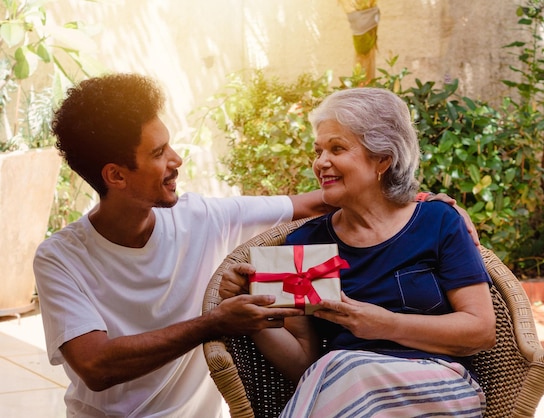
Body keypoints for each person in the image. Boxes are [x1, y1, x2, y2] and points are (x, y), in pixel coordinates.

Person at [33, 73, 329, 417]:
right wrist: (214, 323)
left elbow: (314, 204)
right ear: (116, 176)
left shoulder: (202, 217)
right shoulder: (59, 258)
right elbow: (95, 366)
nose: (177, 160)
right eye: (159, 153)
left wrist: (398, 197)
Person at [220, 87, 496, 417]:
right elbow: (303, 365)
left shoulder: (437, 222)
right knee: (339, 368)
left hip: (439, 388)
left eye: (337, 148)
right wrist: (255, 314)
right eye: (318, 150)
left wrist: (385, 325)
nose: (321, 162)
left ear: (383, 159)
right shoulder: (308, 245)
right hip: (346, 393)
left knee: (343, 365)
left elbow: (481, 331)